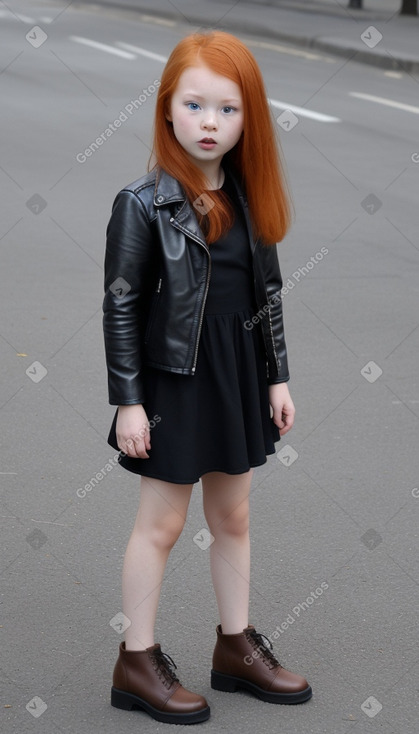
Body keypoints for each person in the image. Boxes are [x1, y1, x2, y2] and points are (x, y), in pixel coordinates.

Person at [103, 30, 312, 725]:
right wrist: (129, 402)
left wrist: (276, 379)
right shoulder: (141, 202)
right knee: (160, 525)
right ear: (167, 109)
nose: (209, 123)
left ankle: (235, 646)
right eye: (194, 105)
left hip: (237, 374)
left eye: (227, 109)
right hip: (175, 380)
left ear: (247, 119)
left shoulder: (251, 196)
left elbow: (268, 297)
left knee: (234, 516)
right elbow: (123, 304)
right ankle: (137, 659)